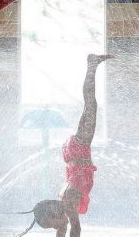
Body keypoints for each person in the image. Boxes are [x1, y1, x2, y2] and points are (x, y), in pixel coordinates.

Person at [17, 54, 113, 237]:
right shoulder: (62, 204)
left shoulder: (68, 201)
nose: (56, 227)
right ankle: (92, 65)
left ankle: (92, 64)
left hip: (79, 150)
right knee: (90, 106)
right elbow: (63, 228)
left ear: (53, 211)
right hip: (74, 154)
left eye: (52, 224)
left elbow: (76, 229)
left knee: (90, 105)